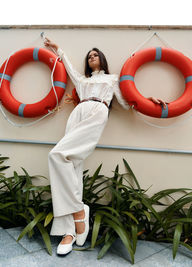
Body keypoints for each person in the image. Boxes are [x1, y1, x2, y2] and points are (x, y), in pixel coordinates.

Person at [45, 38, 166, 256]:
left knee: (56, 155)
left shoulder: (112, 79)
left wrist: (148, 100)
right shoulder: (82, 80)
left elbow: (126, 102)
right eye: (89, 56)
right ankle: (68, 232)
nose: (92, 58)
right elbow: (70, 68)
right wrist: (57, 49)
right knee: (71, 166)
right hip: (78, 113)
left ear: (102, 58)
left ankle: (78, 212)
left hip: (97, 112)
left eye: (95, 54)